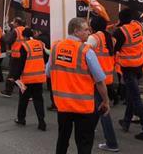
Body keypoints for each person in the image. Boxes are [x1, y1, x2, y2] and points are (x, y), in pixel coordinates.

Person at [47, 17, 110, 154]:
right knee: (84, 144)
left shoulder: (56, 47)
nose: (89, 32)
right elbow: (99, 80)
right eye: (86, 29)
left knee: (62, 140)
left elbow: (48, 72)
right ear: (76, 31)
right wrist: (105, 101)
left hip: (63, 105)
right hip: (83, 107)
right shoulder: (86, 51)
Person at [112, 8, 143, 141]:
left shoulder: (120, 32)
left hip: (128, 68)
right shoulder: (137, 26)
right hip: (139, 65)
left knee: (135, 98)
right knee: (132, 95)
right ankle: (126, 121)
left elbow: (115, 48)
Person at [87, 15, 119, 152]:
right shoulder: (111, 38)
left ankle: (112, 143)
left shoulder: (94, 38)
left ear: (93, 25)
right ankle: (89, 131)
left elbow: (83, 52)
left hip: (97, 78)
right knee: (97, 105)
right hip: (108, 77)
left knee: (103, 109)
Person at [12, 27, 46, 131]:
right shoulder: (40, 44)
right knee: (38, 100)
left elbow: (21, 63)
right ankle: (41, 122)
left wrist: (16, 77)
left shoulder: (24, 46)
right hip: (39, 77)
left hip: (27, 78)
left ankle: (21, 119)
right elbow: (44, 58)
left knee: (23, 99)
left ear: (24, 36)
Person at [0, 17, 26, 98]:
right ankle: (25, 91)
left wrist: (4, 35)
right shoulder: (25, 30)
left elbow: (8, 40)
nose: (12, 24)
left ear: (17, 23)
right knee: (20, 74)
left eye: (14, 22)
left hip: (15, 55)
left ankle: (8, 91)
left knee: (11, 74)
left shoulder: (16, 31)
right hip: (24, 55)